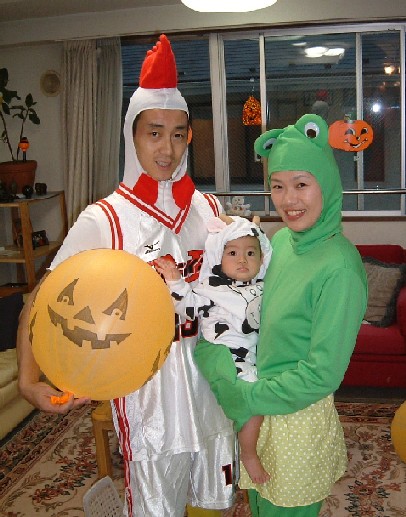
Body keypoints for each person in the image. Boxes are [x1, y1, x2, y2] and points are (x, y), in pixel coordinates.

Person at [17, 34, 235, 517]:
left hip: (217, 391)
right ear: (131, 136)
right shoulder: (105, 219)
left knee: (217, 504)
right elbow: (41, 298)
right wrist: (27, 381)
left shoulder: (209, 209)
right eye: (154, 133)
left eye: (178, 134)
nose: (167, 148)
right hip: (151, 404)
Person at [194, 114, 368, 516]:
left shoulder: (340, 269)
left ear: (327, 184)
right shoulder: (284, 241)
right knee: (260, 506)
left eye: (301, 184)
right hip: (262, 407)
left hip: (294, 418)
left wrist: (245, 397)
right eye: (277, 186)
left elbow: (321, 374)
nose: (288, 200)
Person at [155, 215, 272, 484]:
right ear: (218, 256)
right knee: (252, 399)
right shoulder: (211, 288)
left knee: (271, 391)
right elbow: (188, 307)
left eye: (251, 253)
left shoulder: (263, 287)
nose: (242, 260)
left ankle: (252, 438)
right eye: (232, 253)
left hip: (253, 353)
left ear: (262, 258)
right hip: (223, 353)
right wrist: (175, 281)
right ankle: (249, 454)